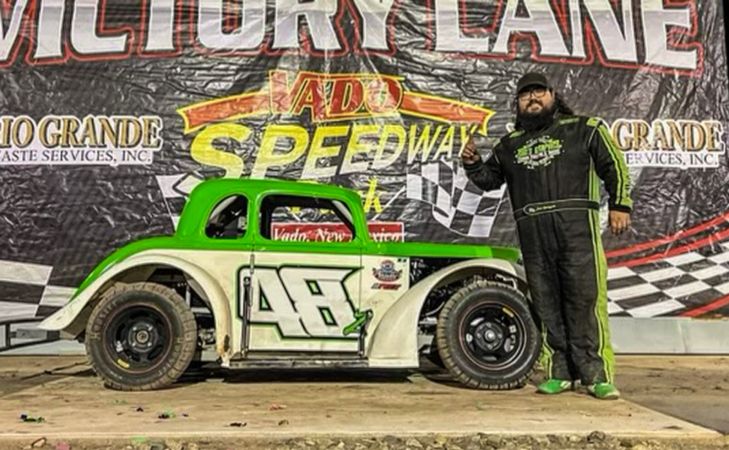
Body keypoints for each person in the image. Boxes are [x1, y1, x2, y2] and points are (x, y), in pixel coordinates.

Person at [461, 72, 632, 400]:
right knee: (546, 304)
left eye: (539, 92)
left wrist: (621, 204)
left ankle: (597, 376)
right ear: (518, 103)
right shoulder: (509, 145)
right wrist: (472, 164)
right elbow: (488, 180)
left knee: (585, 301)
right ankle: (559, 373)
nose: (533, 98)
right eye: (526, 95)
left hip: (576, 227)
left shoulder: (584, 128)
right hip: (533, 232)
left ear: (553, 96)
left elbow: (615, 166)